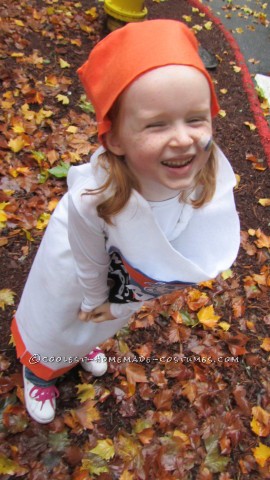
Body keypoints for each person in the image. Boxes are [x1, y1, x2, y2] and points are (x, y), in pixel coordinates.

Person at [11, 19, 240, 424]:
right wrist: (94, 299)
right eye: (156, 124)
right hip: (78, 277)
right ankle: (40, 368)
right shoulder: (95, 198)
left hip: (122, 282)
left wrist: (117, 301)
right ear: (114, 138)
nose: (184, 139)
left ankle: (82, 348)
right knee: (60, 323)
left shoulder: (197, 170)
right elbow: (90, 261)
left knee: (95, 328)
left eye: (196, 118)